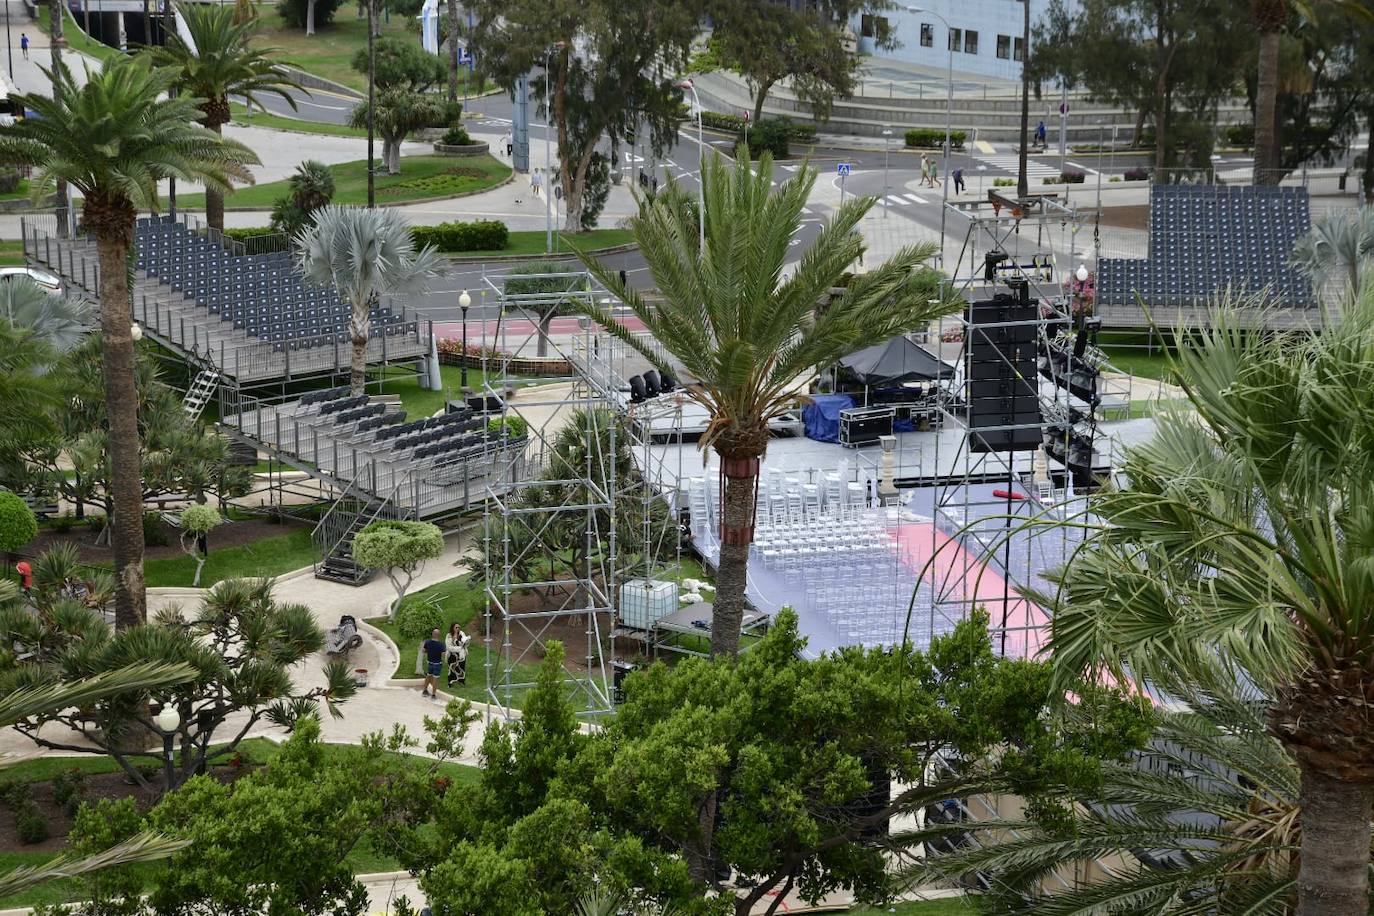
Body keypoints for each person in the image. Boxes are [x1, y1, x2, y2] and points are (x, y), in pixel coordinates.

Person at [420, 628, 445, 699]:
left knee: (428, 676)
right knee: (435, 678)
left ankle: (424, 691)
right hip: (437, 664)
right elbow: (443, 654)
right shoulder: (441, 645)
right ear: (438, 635)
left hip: (429, 663)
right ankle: (433, 694)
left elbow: (424, 650)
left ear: (432, 634)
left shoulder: (427, 642)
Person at [445, 622, 470, 687]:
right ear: (452, 628)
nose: (458, 629)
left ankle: (461, 681)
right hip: (452, 655)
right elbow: (448, 647)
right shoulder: (449, 635)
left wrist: (465, 642)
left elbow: (465, 643)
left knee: (461, 668)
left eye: (459, 627)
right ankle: (450, 682)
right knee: (452, 668)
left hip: (461, 655)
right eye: (456, 627)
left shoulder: (461, 634)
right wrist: (459, 648)